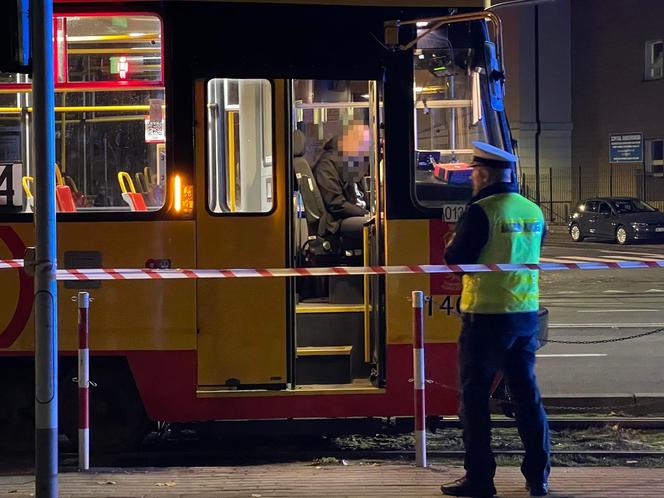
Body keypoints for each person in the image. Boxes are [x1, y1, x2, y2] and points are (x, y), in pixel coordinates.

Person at [441, 141, 550, 498]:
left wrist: (454, 238)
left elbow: (456, 258)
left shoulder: (482, 210)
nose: (472, 177)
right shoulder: (533, 211)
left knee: (474, 400)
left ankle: (480, 479)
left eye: (474, 172)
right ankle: (538, 478)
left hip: (486, 317)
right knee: (527, 398)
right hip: (524, 315)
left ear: (485, 175)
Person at [313, 123, 370, 247]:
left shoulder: (351, 162)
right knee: (380, 227)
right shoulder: (326, 166)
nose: (365, 150)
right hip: (338, 222)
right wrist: (365, 214)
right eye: (362, 144)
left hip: (356, 213)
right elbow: (336, 204)